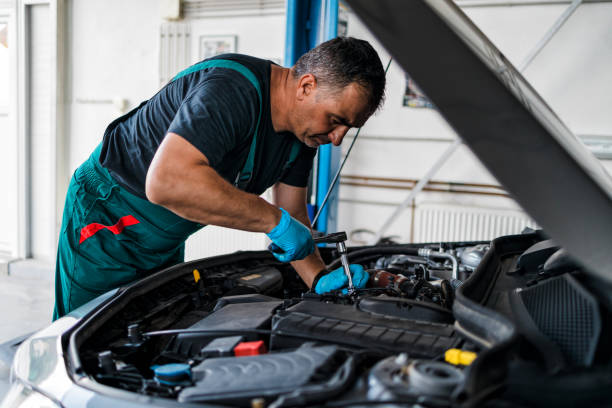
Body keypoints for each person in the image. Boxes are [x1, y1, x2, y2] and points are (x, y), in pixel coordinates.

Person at [53, 37, 386, 319]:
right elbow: (167, 182)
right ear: (306, 86)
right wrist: (272, 220)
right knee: (84, 334)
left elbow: (294, 217)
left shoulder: (304, 137)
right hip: (107, 220)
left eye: (348, 128)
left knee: (149, 326)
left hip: (165, 236)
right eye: (335, 119)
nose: (338, 138)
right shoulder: (233, 89)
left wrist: (319, 278)